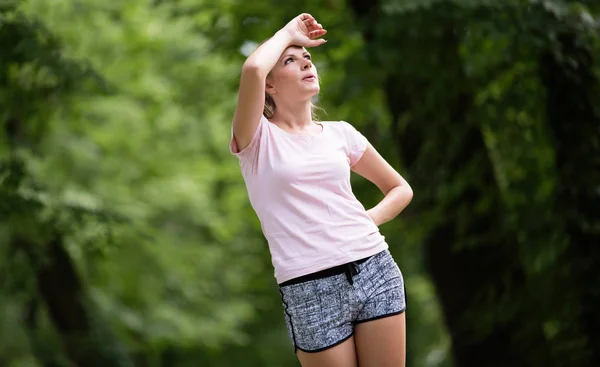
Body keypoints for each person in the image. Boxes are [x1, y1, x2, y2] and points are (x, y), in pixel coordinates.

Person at [229, 13, 413, 367]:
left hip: (374, 269)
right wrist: (289, 32)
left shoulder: (341, 133)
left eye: (308, 58)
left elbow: (399, 189)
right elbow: (252, 69)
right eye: (290, 60)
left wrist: (367, 219)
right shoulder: (256, 141)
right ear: (270, 85)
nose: (305, 63)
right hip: (308, 288)